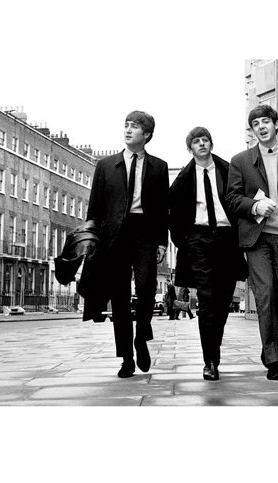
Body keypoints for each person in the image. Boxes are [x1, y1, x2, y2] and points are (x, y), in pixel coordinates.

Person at [86, 110, 169, 378]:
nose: (128, 130)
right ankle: (126, 357)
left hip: (144, 232)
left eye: (134, 126)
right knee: (119, 297)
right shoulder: (105, 165)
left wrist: (162, 242)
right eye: (126, 125)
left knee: (146, 287)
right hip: (114, 236)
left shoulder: (159, 167)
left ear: (147, 134)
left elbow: (162, 209)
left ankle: (141, 336)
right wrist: (91, 237)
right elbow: (95, 206)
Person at [227, 105, 278, 380]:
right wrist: (254, 206)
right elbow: (232, 198)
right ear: (252, 130)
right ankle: (274, 360)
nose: (261, 127)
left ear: (275, 124)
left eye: (265, 122)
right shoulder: (240, 161)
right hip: (257, 238)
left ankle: (269, 342)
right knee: (266, 293)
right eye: (256, 124)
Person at [169, 127, 247, 381]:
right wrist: (186, 242)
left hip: (227, 240)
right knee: (207, 301)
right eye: (196, 141)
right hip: (199, 241)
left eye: (205, 140)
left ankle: (214, 349)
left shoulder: (228, 170)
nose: (201, 144)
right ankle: (210, 361)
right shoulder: (183, 179)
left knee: (222, 303)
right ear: (189, 148)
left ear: (211, 144)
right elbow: (174, 216)